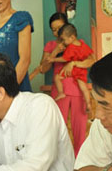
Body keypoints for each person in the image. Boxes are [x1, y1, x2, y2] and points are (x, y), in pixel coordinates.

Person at [37, 13, 95, 157]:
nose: (56, 32)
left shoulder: (77, 43)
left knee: (80, 128)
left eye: (59, 28)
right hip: (60, 90)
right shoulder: (50, 45)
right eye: (53, 30)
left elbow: (92, 60)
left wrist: (73, 63)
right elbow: (43, 69)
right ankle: (61, 161)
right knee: (58, 127)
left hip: (77, 89)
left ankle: (79, 160)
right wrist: (56, 51)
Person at [47, 24, 93, 112]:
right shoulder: (83, 45)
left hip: (72, 70)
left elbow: (64, 58)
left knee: (57, 77)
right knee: (84, 87)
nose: (63, 42)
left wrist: (53, 59)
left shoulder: (71, 47)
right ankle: (88, 103)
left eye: (64, 39)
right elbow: (90, 56)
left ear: (72, 38)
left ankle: (61, 93)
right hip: (81, 70)